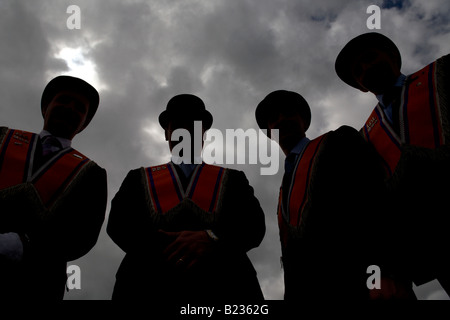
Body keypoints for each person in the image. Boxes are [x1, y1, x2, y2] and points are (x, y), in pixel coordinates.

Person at [255, 90, 412, 300]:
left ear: (304, 120)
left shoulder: (339, 140)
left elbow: (374, 203)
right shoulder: (285, 186)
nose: (281, 119)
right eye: (273, 119)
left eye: (288, 112)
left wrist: (384, 273)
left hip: (362, 287)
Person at [107, 94, 266, 301]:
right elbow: (118, 226)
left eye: (193, 125)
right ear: (166, 134)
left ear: (204, 134)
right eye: (178, 126)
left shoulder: (233, 179)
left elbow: (254, 227)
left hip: (225, 286)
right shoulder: (138, 178)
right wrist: (170, 248)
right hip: (147, 286)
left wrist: (212, 237)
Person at [335, 32, 450, 295]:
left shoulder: (440, 74)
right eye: (358, 71)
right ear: (361, 86)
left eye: (370, 58)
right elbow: (378, 206)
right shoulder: (366, 135)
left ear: (393, 58)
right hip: (437, 244)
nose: (366, 69)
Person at [0, 75, 107, 300]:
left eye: (80, 108)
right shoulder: (2, 138)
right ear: (45, 107)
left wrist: (23, 245)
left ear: (84, 123)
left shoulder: (93, 173)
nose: (70, 108)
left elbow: (83, 237)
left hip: (37, 283)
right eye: (64, 100)